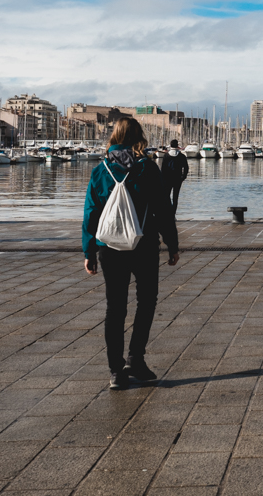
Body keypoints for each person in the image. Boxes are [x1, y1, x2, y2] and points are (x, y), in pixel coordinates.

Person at [83, 119, 180, 391]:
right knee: (146, 301)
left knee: (115, 307)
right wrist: (172, 244)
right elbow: (162, 208)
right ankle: (136, 358)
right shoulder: (147, 168)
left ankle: (116, 370)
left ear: (114, 137)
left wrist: (88, 250)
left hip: (109, 247)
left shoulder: (100, 170)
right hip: (144, 245)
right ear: (140, 137)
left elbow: (91, 213)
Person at [160, 139, 189, 213]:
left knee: (167, 196)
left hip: (167, 179)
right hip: (178, 179)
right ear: (177, 146)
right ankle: (173, 212)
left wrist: (163, 178)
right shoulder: (181, 156)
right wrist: (183, 177)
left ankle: (168, 211)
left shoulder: (166, 156)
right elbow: (186, 167)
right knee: (175, 197)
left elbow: (163, 168)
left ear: (170, 145)